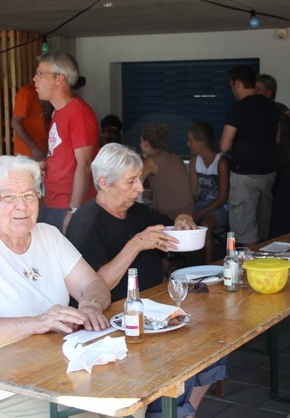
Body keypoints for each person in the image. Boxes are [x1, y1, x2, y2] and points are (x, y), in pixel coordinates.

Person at [0, 155, 112, 417]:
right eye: (8, 197)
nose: (22, 206)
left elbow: (92, 282)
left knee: (128, 396)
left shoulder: (48, 235)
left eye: (29, 195)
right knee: (103, 412)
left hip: (53, 367)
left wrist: (91, 305)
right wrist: (36, 323)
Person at [66, 143, 226, 418]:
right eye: (131, 182)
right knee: (177, 365)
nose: (140, 188)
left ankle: (184, 413)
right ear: (104, 183)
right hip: (114, 324)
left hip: (154, 313)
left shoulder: (139, 213)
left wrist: (182, 218)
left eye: (139, 179)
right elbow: (93, 286)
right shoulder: (86, 223)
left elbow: (171, 228)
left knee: (216, 346)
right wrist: (137, 243)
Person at [34, 51, 100, 235]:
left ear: (59, 79)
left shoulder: (78, 112)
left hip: (68, 205)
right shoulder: (58, 111)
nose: (34, 79)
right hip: (52, 201)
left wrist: (74, 210)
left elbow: (84, 165)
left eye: (40, 74)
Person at [219, 65, 280, 246]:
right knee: (263, 226)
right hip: (268, 173)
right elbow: (277, 139)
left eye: (232, 86)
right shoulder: (272, 107)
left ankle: (249, 262)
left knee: (245, 230)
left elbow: (224, 145)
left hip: (244, 174)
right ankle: (265, 258)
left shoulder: (238, 109)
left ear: (238, 83)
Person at [187, 121, 230, 263]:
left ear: (201, 143)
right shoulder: (194, 161)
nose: (187, 144)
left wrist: (198, 213)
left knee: (206, 225)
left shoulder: (221, 161)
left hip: (221, 207)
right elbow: (192, 193)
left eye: (190, 141)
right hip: (202, 204)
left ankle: (209, 265)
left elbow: (222, 198)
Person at [255, 74, 290, 193]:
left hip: (282, 166)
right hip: (259, 168)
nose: (255, 92)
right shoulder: (252, 110)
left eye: (259, 89)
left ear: (270, 91)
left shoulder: (282, 109)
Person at [140, 124, 194, 220]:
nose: (140, 145)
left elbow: (135, 184)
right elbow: (167, 191)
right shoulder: (177, 158)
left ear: (146, 143)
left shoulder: (151, 161)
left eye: (141, 142)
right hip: (188, 213)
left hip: (168, 216)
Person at [11, 80, 51, 161]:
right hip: (28, 154)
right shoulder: (26, 92)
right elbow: (15, 122)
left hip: (43, 150)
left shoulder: (46, 92)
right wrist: (34, 148)